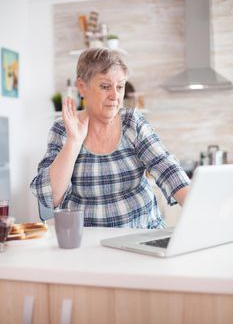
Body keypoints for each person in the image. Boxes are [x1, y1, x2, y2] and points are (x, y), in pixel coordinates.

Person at [30, 48, 190, 228]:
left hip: (142, 233)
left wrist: (199, 209)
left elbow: (167, 168)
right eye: (105, 86)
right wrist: (73, 142)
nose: (115, 96)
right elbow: (50, 197)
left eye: (120, 87)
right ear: (82, 87)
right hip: (88, 243)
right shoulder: (62, 129)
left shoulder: (132, 122)